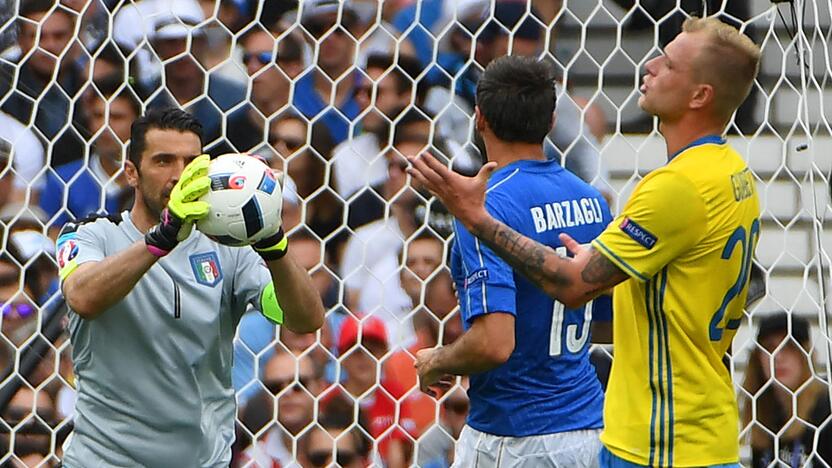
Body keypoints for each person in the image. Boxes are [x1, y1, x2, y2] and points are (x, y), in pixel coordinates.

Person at [409, 18, 762, 467]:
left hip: (650, 439)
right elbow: (617, 306)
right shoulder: (733, 176)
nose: (649, 65)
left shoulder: (674, 188)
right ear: (552, 119)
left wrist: (475, 218)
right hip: (674, 425)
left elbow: (560, 297)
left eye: (668, 63)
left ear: (699, 95)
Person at [56, 107, 325, 467]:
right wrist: (162, 239)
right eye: (163, 161)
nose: (179, 175)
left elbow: (304, 319)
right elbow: (82, 297)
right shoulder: (90, 235)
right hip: (104, 460)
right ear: (131, 173)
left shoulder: (227, 250)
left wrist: (273, 243)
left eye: (191, 162)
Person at [409, 55, 611, 467]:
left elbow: (494, 343)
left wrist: (438, 360)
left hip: (515, 437)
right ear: (552, 120)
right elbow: (607, 322)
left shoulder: (481, 208)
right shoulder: (591, 200)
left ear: (479, 118)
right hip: (591, 429)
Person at [741, 312, 831, 467]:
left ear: (806, 354)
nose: (778, 357)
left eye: (789, 347)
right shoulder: (763, 415)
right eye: (770, 348)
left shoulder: (826, 408)